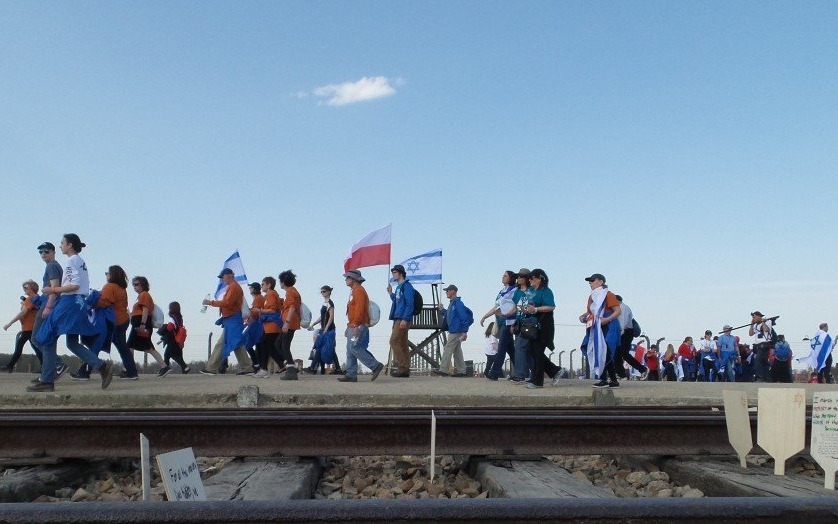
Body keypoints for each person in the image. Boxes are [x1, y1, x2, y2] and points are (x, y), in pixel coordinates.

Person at [27, 234, 113, 392]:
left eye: (62, 243)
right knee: (71, 343)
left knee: (45, 337)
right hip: (79, 302)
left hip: (69, 302)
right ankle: (102, 366)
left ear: (70, 245)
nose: (60, 246)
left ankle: (47, 380)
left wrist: (52, 290)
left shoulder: (70, 261)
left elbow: (74, 285)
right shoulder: (80, 261)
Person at [73, 265, 139, 380]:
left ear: (112, 274)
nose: (106, 275)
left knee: (96, 345)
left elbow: (104, 302)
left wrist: (93, 299)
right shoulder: (122, 288)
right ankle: (131, 371)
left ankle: (84, 372)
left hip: (112, 322)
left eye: (107, 273)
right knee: (122, 347)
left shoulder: (110, 287)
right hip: (122, 321)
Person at [201, 268, 255, 375]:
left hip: (233, 319)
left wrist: (210, 302)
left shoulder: (234, 287)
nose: (221, 280)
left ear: (229, 275)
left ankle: (211, 368)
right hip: (232, 319)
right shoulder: (233, 287)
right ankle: (247, 367)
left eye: (222, 277)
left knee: (222, 344)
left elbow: (227, 303)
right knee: (237, 343)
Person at [338, 269, 383, 383]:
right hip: (354, 324)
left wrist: (355, 325)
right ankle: (351, 374)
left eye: (348, 277)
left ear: (354, 279)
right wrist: (349, 326)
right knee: (350, 349)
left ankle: (375, 365)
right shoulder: (355, 291)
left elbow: (359, 310)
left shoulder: (359, 291)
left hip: (358, 325)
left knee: (354, 347)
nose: (346, 279)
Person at [580, 273, 621, 388]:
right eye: (589, 281)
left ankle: (604, 379)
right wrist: (583, 317)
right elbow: (590, 312)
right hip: (595, 326)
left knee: (603, 351)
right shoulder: (591, 296)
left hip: (608, 326)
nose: (590, 282)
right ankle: (612, 380)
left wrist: (607, 319)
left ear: (601, 282)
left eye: (592, 280)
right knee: (600, 351)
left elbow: (617, 311)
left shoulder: (608, 295)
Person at [31, 242, 65, 378]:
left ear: (53, 252)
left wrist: (48, 307)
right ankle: (48, 373)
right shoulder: (52, 266)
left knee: (37, 338)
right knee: (44, 339)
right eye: (41, 252)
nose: (43, 254)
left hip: (48, 304)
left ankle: (57, 365)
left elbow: (54, 289)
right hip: (48, 304)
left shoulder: (52, 266)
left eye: (46, 251)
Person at [523, 268, 561, 389]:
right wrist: (526, 309)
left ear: (540, 279)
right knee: (532, 350)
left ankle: (538, 381)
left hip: (544, 323)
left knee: (538, 351)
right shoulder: (531, 291)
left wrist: (536, 309)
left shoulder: (546, 291)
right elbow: (526, 303)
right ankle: (554, 370)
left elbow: (551, 306)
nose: (530, 280)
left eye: (532, 278)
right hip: (533, 323)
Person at [480, 270, 517, 381]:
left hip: (508, 322)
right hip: (500, 323)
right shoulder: (501, 291)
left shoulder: (514, 290)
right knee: (511, 350)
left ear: (511, 278)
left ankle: (494, 373)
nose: (503, 277)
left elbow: (516, 306)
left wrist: (512, 320)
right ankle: (523, 371)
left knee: (501, 349)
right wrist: (485, 316)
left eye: (505, 276)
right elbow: (495, 307)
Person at [126, 276, 167, 373]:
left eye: (136, 284)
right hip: (141, 323)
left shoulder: (144, 294)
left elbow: (145, 310)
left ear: (143, 285)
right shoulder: (141, 296)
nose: (134, 286)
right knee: (148, 347)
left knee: (129, 346)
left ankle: (129, 369)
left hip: (141, 324)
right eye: (133, 285)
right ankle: (164, 366)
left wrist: (142, 324)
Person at [433, 284, 472, 377]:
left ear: (453, 291)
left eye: (447, 291)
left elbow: (464, 317)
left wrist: (464, 331)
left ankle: (443, 370)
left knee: (448, 348)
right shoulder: (453, 303)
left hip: (456, 330)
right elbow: (449, 314)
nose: (446, 292)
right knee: (457, 351)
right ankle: (461, 371)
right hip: (455, 330)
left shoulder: (457, 303)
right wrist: (442, 310)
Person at [3, 280, 39, 371]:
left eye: (25, 287)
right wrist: (23, 305)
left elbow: (23, 312)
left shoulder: (30, 298)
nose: (24, 289)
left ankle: (9, 366)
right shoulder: (36, 298)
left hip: (29, 328)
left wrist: (9, 323)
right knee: (36, 348)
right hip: (31, 328)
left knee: (20, 348)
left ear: (32, 287)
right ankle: (10, 366)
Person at [252, 277, 284, 378]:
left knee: (265, 345)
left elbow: (273, 310)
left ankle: (266, 368)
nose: (261, 286)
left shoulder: (271, 294)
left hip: (272, 325)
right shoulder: (269, 295)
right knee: (267, 346)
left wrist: (259, 310)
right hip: (269, 326)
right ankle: (282, 365)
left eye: (263, 284)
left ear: (268, 285)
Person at [386, 264, 415, 378]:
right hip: (398, 317)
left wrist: (405, 319)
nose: (393, 274)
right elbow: (398, 301)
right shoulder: (399, 287)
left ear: (400, 273)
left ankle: (402, 367)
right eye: (392, 272)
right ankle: (405, 369)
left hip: (402, 318)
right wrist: (391, 294)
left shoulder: (407, 286)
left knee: (393, 341)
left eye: (394, 272)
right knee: (402, 343)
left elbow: (409, 303)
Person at [306, 285, 340, 375]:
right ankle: (337, 368)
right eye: (321, 292)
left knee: (321, 348)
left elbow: (331, 316)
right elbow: (322, 316)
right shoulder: (325, 303)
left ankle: (313, 368)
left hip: (328, 329)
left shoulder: (330, 303)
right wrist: (313, 324)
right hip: (325, 329)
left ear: (329, 292)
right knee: (326, 348)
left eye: (324, 291)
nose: (322, 293)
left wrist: (326, 328)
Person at [509, 269, 535, 382]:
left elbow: (534, 305)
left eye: (521, 277)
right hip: (520, 322)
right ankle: (535, 374)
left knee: (520, 347)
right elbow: (516, 309)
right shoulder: (517, 293)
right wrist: (509, 318)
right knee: (527, 350)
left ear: (526, 279)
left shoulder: (532, 290)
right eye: (517, 277)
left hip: (530, 321)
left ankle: (520, 374)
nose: (518, 279)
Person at [276, 270, 302, 381]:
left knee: (284, 346)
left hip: (290, 322)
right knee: (278, 344)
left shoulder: (291, 292)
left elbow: (292, 307)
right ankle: (292, 366)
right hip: (290, 322)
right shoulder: (291, 292)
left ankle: (291, 371)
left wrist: (286, 323)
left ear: (283, 282)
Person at [614, 295, 647, 379]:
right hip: (623, 333)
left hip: (625, 333)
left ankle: (641, 369)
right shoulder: (620, 308)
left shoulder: (623, 308)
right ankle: (621, 373)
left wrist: (619, 335)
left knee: (623, 353)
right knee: (618, 353)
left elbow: (623, 324)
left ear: (616, 300)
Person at [158, 301, 190, 375]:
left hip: (172, 339)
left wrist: (165, 328)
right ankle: (183, 368)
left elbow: (170, 327)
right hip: (178, 338)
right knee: (176, 354)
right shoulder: (180, 317)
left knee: (168, 354)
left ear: (171, 308)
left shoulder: (172, 317)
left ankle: (167, 369)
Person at [243, 282, 264, 372]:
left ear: (254, 289)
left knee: (247, 343)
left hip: (257, 324)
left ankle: (256, 364)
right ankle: (257, 364)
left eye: (251, 288)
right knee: (257, 345)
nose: (249, 289)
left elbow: (256, 314)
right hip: (257, 323)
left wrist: (249, 313)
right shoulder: (259, 298)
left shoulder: (258, 299)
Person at [749, 311, 774, 382]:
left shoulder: (767, 322)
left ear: (759, 316)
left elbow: (766, 330)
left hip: (764, 344)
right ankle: (767, 377)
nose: (753, 318)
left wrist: (763, 322)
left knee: (757, 360)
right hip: (758, 346)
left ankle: (759, 377)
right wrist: (751, 324)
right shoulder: (755, 325)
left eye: (754, 317)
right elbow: (750, 334)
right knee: (763, 362)